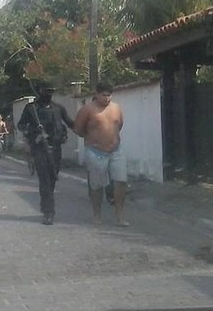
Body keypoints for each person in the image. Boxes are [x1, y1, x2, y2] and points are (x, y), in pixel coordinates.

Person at [73, 81, 129, 227]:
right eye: (104, 95)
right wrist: (93, 138)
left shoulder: (116, 108)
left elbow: (119, 125)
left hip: (116, 150)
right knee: (97, 185)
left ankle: (120, 216)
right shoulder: (88, 109)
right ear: (96, 94)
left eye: (109, 95)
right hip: (95, 151)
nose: (107, 98)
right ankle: (97, 214)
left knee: (121, 182)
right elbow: (78, 128)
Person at [17, 84, 74, 225]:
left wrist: (87, 129)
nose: (49, 94)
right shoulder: (31, 109)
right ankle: (48, 212)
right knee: (45, 180)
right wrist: (33, 133)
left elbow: (70, 123)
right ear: (40, 92)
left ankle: (46, 205)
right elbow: (21, 125)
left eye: (51, 91)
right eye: (46, 91)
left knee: (53, 177)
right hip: (39, 148)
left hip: (55, 148)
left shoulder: (58, 109)